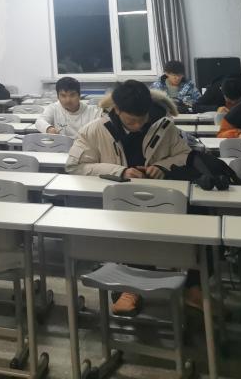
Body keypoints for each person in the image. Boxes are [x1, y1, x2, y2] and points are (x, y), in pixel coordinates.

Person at [66, 80, 191, 315]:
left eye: (142, 119)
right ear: (117, 110)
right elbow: (75, 166)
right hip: (119, 205)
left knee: (197, 218)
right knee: (132, 221)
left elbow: (185, 155)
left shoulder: (165, 126)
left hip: (161, 200)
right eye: (131, 121)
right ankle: (131, 287)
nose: (137, 125)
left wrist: (162, 167)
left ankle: (193, 285)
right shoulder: (95, 130)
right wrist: (120, 172)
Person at [35, 76, 102, 137]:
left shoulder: (92, 112)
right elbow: (39, 121)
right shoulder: (53, 108)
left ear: (79, 95)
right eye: (63, 96)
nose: (68, 100)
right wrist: (49, 129)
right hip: (62, 145)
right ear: (58, 96)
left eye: (72, 95)